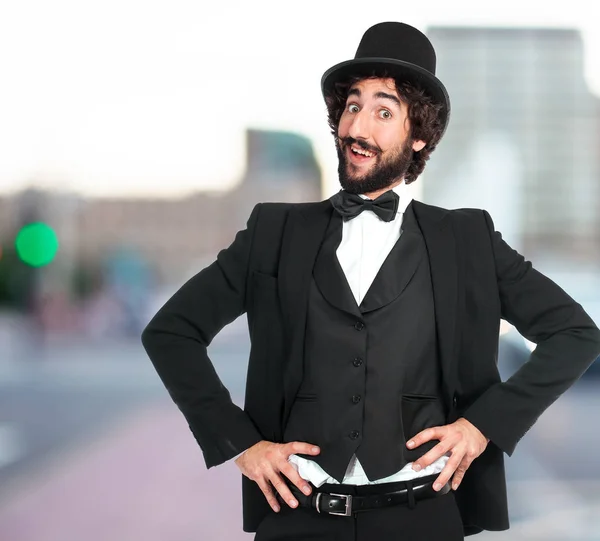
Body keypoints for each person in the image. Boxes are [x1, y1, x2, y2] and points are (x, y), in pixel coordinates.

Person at [141, 22, 600, 540]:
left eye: (384, 111)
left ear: (419, 134)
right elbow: (170, 332)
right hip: (299, 518)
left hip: (423, 518)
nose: (358, 127)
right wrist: (241, 444)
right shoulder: (274, 232)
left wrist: (482, 427)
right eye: (352, 106)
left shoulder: (468, 239)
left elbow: (576, 333)